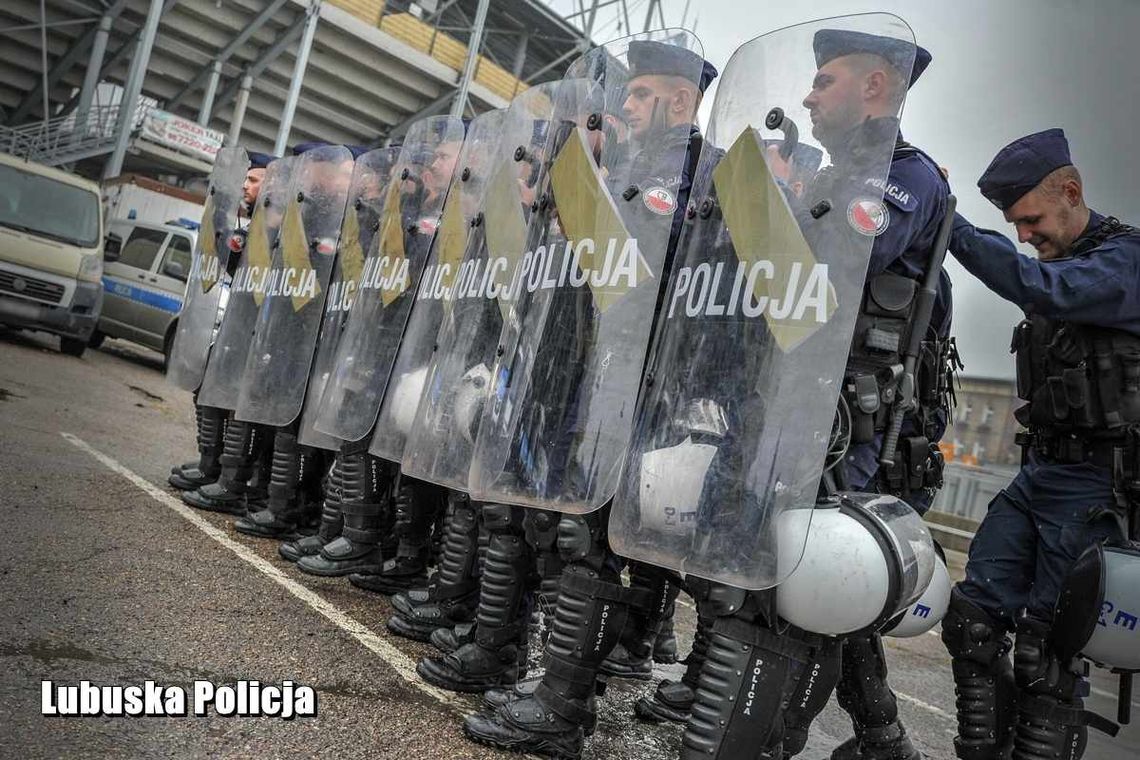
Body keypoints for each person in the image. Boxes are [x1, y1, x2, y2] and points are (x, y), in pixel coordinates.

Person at [461, 38, 716, 759]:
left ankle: (563, 706)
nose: (626, 107)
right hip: (583, 381)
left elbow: (660, 290)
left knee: (589, 542)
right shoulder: (624, 169)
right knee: (564, 531)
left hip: (638, 394)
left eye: (640, 96)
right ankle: (550, 683)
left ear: (680, 101)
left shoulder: (699, 175)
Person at [940, 128, 1137, 760]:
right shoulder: (1072, 263)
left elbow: (1043, 288)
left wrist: (952, 225)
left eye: (1031, 220)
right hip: (1040, 475)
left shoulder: (1124, 262)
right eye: (1014, 226)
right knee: (972, 619)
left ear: (1071, 193)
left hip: (1095, 486)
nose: (1025, 236)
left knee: (1045, 652)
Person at [169, 151, 274, 493]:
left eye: (253, 180)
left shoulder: (276, 229)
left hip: (262, 337)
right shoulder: (254, 225)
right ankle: (211, 462)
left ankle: (233, 477)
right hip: (239, 328)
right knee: (208, 386)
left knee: (241, 406)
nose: (246, 185)